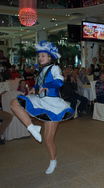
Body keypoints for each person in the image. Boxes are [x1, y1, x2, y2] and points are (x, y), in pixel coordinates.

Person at [10, 41, 74, 174]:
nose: (40, 58)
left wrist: (47, 86)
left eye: (43, 56)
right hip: (40, 100)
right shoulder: (41, 70)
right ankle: (32, 127)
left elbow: (59, 81)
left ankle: (53, 161)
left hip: (53, 104)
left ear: (50, 57)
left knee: (48, 139)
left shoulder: (55, 68)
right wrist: (34, 88)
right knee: (14, 103)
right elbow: (40, 84)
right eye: (39, 56)